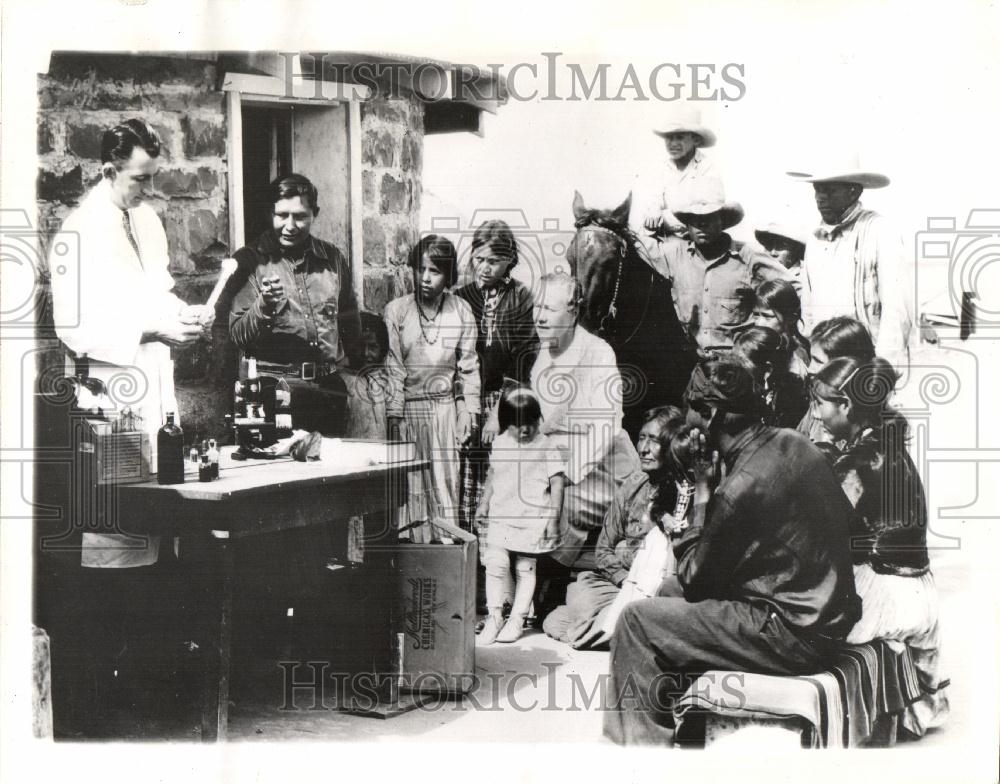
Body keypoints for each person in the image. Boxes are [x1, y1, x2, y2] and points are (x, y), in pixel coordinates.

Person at [47, 118, 214, 728]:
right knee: (113, 533)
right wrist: (146, 330)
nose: (147, 189)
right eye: (139, 179)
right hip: (109, 392)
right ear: (108, 168)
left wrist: (183, 316)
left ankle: (149, 681)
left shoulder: (145, 220)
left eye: (152, 178)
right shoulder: (77, 233)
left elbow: (157, 292)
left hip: (153, 387)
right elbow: (72, 326)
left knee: (158, 528)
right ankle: (97, 695)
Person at [603, 357, 861, 746]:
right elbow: (846, 523)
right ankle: (680, 729)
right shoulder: (796, 442)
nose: (686, 419)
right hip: (825, 620)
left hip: (791, 634)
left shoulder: (737, 487)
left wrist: (703, 491)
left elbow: (694, 579)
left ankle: (640, 758)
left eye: (690, 407)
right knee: (666, 594)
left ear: (709, 415)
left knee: (637, 621)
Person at [810, 357, 949, 737]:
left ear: (847, 406)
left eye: (821, 403)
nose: (817, 413)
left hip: (890, 594)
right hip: (916, 589)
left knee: (792, 615)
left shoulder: (863, 459)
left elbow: (828, 523)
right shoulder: (882, 441)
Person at [542, 406, 693, 649]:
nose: (643, 449)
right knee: (572, 603)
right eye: (641, 438)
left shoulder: (685, 492)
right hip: (618, 585)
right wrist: (625, 579)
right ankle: (616, 624)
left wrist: (629, 557)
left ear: (671, 444)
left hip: (656, 590)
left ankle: (612, 625)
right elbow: (603, 550)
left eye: (654, 441)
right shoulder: (633, 485)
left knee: (573, 619)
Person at [230, 173, 361, 435]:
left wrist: (351, 377)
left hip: (328, 392)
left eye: (300, 216)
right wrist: (263, 307)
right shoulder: (249, 262)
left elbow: (349, 321)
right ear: (271, 213)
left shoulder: (332, 259)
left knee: (331, 471)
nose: (290, 225)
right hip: (273, 393)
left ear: (315, 213)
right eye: (282, 215)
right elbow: (236, 334)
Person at [384, 235, 481, 541]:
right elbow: (393, 368)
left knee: (444, 484)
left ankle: (448, 557)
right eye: (420, 268)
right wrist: (395, 419)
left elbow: (468, 368)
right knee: (411, 487)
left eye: (435, 271)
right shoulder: (397, 311)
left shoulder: (461, 311)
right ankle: (415, 562)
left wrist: (468, 411)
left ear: (448, 276)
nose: (424, 278)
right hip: (410, 412)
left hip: (444, 411)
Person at [453, 220, 539, 537]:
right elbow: (456, 358)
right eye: (479, 259)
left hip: (503, 400)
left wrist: (495, 414)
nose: (485, 268)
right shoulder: (461, 298)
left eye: (494, 261)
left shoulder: (520, 298)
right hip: (466, 400)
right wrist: (464, 405)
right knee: (464, 476)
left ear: (509, 261)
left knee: (498, 474)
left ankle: (495, 553)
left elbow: (523, 357)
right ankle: (465, 551)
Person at [788, 155, 914, 368]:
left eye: (830, 190)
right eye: (817, 190)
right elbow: (809, 305)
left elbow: (897, 309)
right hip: (823, 360)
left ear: (853, 191)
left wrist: (883, 368)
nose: (821, 197)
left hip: (864, 359)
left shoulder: (880, 231)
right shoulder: (815, 238)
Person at [476, 387, 565, 644]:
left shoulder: (547, 446)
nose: (524, 430)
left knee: (524, 568)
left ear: (538, 420)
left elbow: (557, 483)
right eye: (517, 425)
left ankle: (517, 618)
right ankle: (494, 617)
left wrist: (553, 520)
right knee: (496, 564)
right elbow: (493, 475)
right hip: (502, 514)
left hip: (532, 516)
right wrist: (484, 503)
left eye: (530, 424)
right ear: (506, 424)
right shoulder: (501, 443)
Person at [649, 199, 792, 354]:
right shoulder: (674, 255)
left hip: (735, 363)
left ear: (722, 222)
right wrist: (652, 220)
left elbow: (793, 287)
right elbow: (636, 246)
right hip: (689, 361)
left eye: (709, 218)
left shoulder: (747, 256)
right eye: (695, 219)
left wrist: (772, 334)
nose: (702, 225)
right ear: (687, 225)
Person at [642, 107, 725, 237]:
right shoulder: (661, 168)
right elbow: (654, 197)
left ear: (696, 140)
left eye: (680, 137)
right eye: (669, 138)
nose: (673, 143)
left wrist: (662, 215)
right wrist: (653, 208)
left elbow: (707, 211)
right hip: (666, 237)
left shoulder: (707, 169)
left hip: (699, 239)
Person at [797, 316, 877, 442]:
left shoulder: (863, 431)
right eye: (811, 359)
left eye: (818, 361)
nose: (810, 369)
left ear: (845, 368)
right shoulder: (818, 406)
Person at [732, 326, 809, 430]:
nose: (732, 368)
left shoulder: (789, 399)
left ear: (768, 369)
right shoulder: (750, 388)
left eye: (741, 363)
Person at [752, 278, 811, 377]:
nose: (759, 323)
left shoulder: (796, 357)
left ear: (791, 318)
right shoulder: (755, 347)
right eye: (756, 315)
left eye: (767, 316)